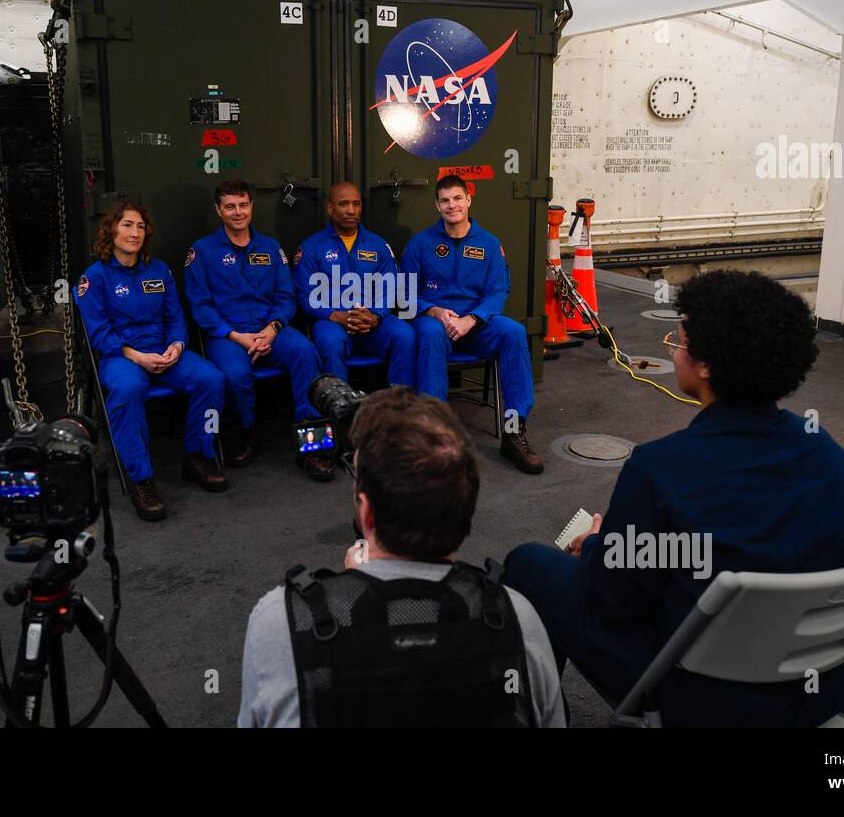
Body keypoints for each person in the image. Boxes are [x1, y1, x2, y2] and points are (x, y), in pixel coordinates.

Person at [503, 270, 844, 726]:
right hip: (815, 690)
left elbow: (615, 603)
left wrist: (597, 545)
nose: (673, 350)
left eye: (677, 340)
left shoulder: (661, 468)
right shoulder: (830, 455)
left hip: (701, 698)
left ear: (707, 365)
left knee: (528, 563)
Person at [238, 386, 564, 727]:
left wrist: (351, 587)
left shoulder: (279, 623)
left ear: (366, 516)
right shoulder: (516, 618)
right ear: (466, 514)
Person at [76, 201, 227, 522]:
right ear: (111, 230)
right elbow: (99, 335)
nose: (134, 233)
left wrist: (176, 344)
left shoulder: (159, 270)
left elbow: (175, 316)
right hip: (122, 357)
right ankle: (141, 478)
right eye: (127, 225)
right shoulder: (94, 278)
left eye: (140, 227)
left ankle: (199, 455)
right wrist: (136, 356)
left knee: (211, 379)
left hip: (164, 351)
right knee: (127, 390)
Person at [185, 179, 333, 482]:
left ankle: (312, 445)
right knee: (236, 375)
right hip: (228, 335)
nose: (238, 212)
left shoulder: (270, 247)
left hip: (270, 329)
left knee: (305, 352)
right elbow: (200, 306)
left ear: (251, 206)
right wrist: (237, 336)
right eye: (230, 206)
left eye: (243, 205)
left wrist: (271, 330)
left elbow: (285, 297)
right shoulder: (201, 251)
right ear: (218, 210)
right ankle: (249, 433)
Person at [398, 176, 542, 473]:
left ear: (469, 200)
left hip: (476, 323)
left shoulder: (489, 244)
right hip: (436, 322)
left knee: (513, 332)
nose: (452, 205)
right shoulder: (420, 244)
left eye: (457, 198)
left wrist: (471, 319)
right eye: (445, 200)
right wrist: (434, 310)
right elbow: (404, 294)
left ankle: (514, 433)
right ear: (437, 205)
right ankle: (435, 437)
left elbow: (498, 291)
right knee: (429, 334)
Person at [293, 181, 415, 390]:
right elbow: (305, 296)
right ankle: (339, 410)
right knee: (330, 342)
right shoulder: (312, 247)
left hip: (372, 324)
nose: (351, 210)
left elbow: (390, 290)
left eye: (356, 204)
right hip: (332, 322)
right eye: (343, 204)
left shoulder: (378, 246)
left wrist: (375, 316)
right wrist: (336, 315)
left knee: (405, 335)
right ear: (330, 208)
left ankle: (400, 408)